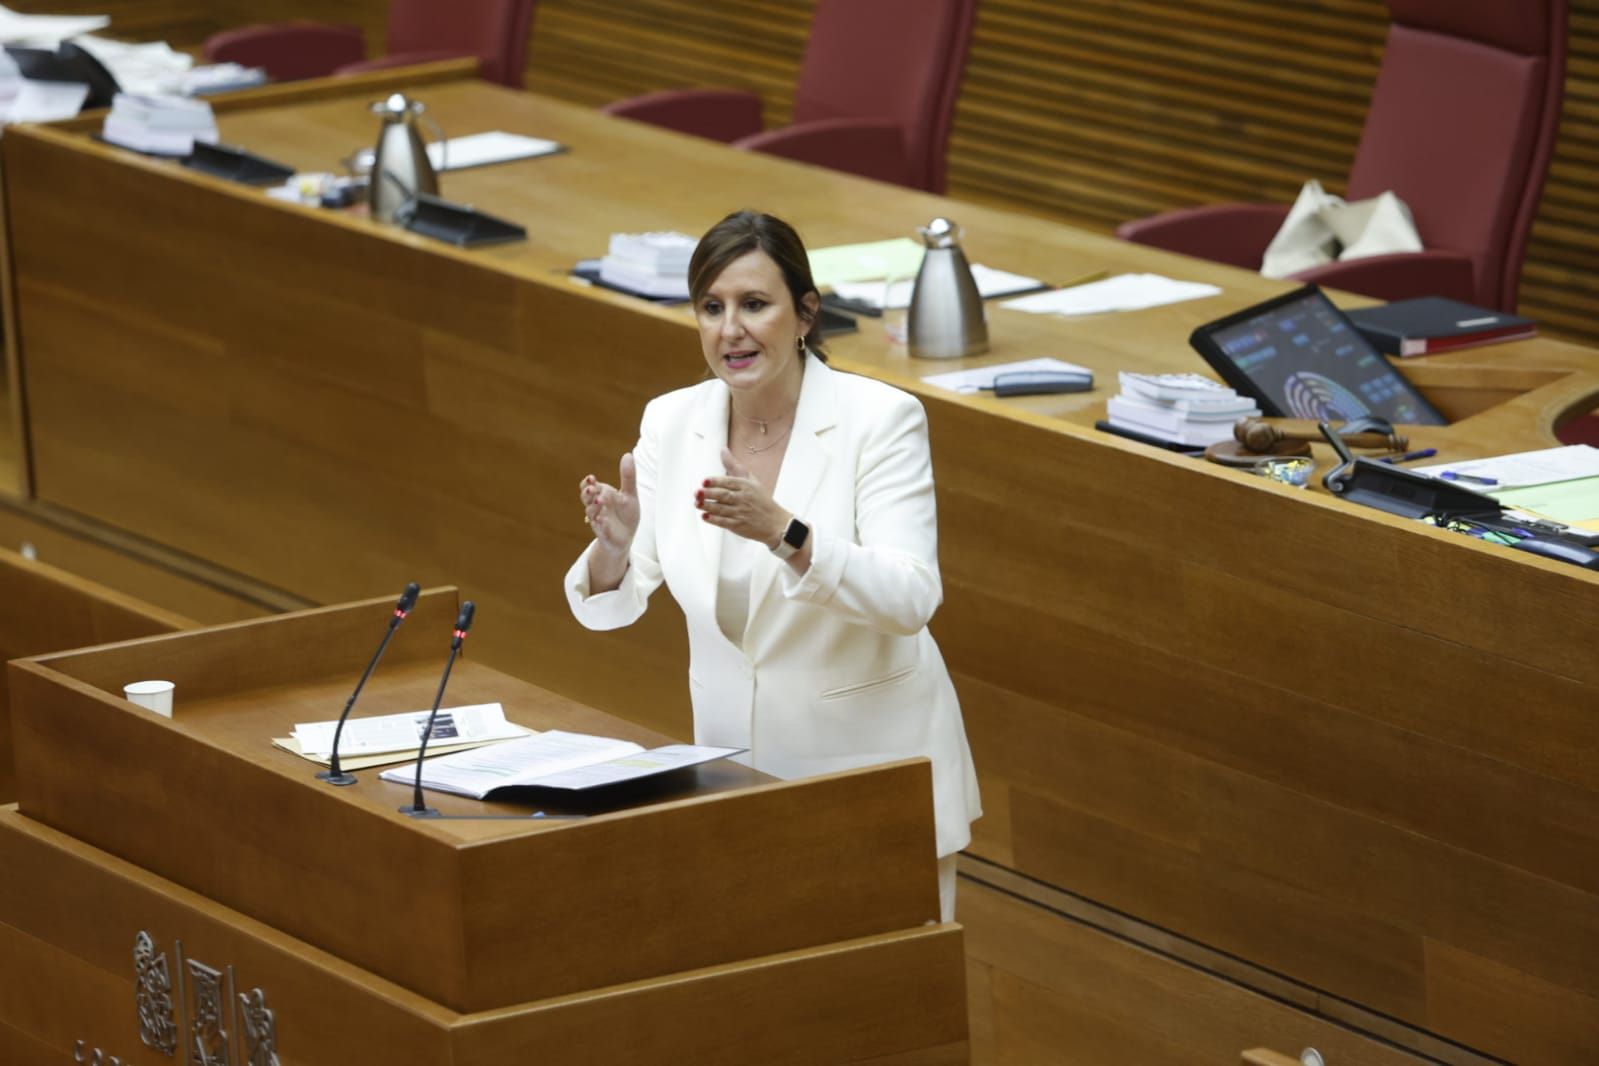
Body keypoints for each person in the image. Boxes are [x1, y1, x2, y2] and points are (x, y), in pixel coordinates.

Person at [564, 210, 980, 920]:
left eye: (755, 305)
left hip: (871, 775)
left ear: (805, 314)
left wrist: (786, 534)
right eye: (712, 307)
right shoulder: (672, 420)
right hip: (734, 771)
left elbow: (910, 597)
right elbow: (619, 600)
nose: (731, 330)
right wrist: (615, 547)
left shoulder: (879, 420)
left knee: (888, 1006)